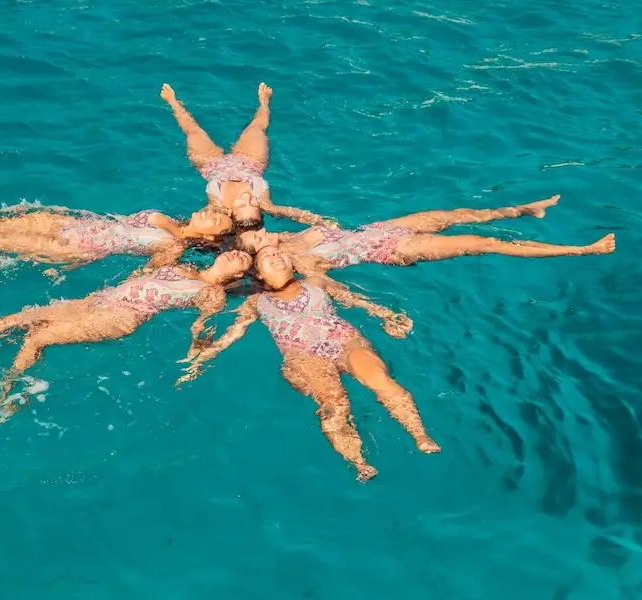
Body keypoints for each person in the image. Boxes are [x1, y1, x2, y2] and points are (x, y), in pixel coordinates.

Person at [176, 245, 435, 482]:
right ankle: (358, 461)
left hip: (346, 342)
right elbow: (235, 332)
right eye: (267, 257)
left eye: (278, 253)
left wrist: (388, 316)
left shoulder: (317, 282)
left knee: (380, 379)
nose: (275, 256)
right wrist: (203, 357)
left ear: (291, 263)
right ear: (260, 275)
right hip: (304, 355)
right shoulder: (254, 302)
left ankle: (420, 435)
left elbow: (355, 300)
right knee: (334, 402)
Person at [0, 250, 253, 421]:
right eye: (238, 251)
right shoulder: (183, 265)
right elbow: (141, 272)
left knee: (37, 339)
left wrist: (196, 361)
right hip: (99, 301)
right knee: (19, 318)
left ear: (236, 276)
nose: (239, 255)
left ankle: (8, 392)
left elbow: (201, 329)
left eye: (244, 262)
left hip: (122, 317)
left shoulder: (213, 295)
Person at [233, 195, 616, 273]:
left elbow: (327, 220)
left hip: (380, 228)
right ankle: (582, 250)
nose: (263, 238)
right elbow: (324, 284)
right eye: (256, 244)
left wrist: (273, 208)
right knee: (483, 244)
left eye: (257, 235)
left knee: (453, 214)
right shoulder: (294, 261)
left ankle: (524, 209)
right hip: (395, 247)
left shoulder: (290, 237)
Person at [160, 82, 336, 230]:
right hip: (250, 162)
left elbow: (191, 223)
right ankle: (264, 103)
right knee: (256, 129)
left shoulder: (217, 206)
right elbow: (291, 212)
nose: (248, 199)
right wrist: (322, 222)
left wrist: (174, 228)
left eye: (242, 205)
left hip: (211, 165)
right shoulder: (265, 203)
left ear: (230, 213)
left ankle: (173, 103)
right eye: (253, 205)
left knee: (194, 132)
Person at [0, 199, 235, 275]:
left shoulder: (173, 245)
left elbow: (147, 273)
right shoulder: (172, 222)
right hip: (75, 226)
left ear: (212, 238)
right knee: (6, 223)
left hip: (76, 245)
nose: (210, 212)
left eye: (216, 220)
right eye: (214, 210)